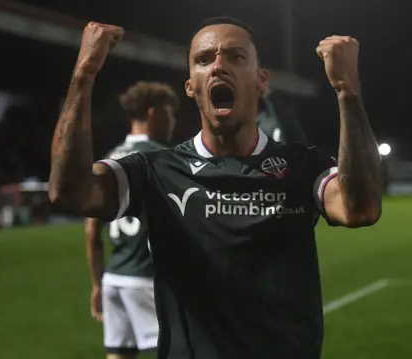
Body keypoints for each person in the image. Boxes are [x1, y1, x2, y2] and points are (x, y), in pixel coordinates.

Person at [49, 16, 382, 359]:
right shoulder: (155, 170)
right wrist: (83, 75)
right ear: (191, 86)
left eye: (236, 57)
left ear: (260, 80)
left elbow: (361, 208)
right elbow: (69, 191)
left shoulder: (301, 168)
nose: (219, 66)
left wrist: (347, 92)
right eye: (204, 59)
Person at [85, 81, 179, 359]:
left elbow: (91, 230)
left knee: (118, 355)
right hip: (146, 278)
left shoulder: (110, 159)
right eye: (170, 113)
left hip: (115, 278)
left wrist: (97, 283)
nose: (173, 121)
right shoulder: (161, 158)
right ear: (153, 113)